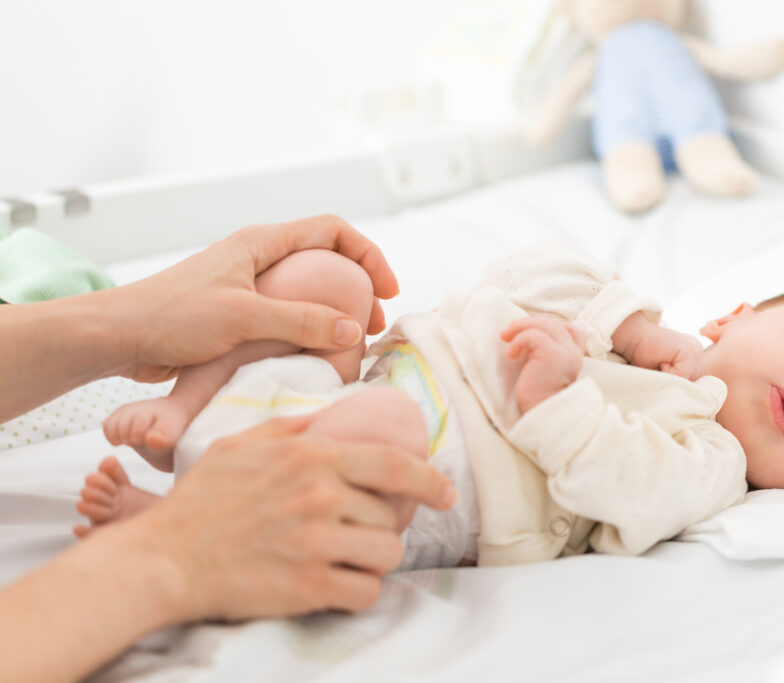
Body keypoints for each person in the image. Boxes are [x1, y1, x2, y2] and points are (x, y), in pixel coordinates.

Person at [81, 239, 784, 569]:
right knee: (326, 283)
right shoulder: (630, 324)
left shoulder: (714, 463)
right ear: (734, 317)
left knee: (378, 428)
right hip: (365, 378)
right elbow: (515, 271)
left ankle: (184, 514)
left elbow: (631, 485)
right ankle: (189, 413)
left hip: (421, 475)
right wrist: (626, 325)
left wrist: (559, 398)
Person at [0, 214, 457, 683]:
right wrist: (173, 551)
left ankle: (185, 420)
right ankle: (179, 468)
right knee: (379, 396)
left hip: (345, 419)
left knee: (335, 279)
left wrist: (130, 324)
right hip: (357, 437)